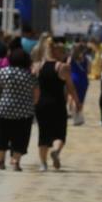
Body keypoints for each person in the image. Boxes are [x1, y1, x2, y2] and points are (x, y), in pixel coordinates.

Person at [0, 45, 37, 171]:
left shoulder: (3, 72)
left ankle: (1, 160)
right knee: (21, 136)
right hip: (24, 110)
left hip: (4, 108)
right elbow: (36, 94)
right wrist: (31, 105)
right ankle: (16, 162)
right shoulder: (30, 76)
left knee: (3, 134)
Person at [35, 38, 78, 171]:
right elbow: (70, 87)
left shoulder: (38, 66)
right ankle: (56, 151)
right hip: (58, 103)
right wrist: (77, 101)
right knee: (60, 133)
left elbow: (34, 86)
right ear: (59, 53)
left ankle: (43, 164)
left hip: (41, 103)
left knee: (43, 134)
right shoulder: (63, 67)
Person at [68, 41, 91, 126]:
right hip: (83, 79)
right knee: (80, 99)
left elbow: (67, 67)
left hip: (73, 78)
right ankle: (78, 117)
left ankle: (75, 117)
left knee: (73, 98)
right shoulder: (86, 58)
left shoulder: (71, 58)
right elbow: (89, 70)